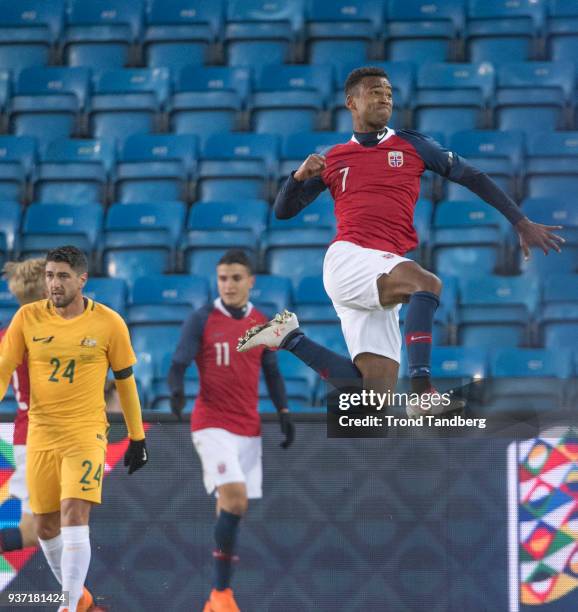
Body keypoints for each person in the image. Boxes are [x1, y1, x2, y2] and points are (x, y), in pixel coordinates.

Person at [237, 65, 564, 416]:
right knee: (427, 283)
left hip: (381, 274)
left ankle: (288, 337)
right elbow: (284, 212)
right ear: (351, 102)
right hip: (350, 259)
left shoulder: (413, 145)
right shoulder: (332, 159)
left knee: (373, 400)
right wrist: (297, 177)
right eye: (375, 91)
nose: (385, 98)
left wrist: (520, 220)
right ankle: (422, 389)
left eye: (389, 93)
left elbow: (474, 177)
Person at [0, 246, 148, 612]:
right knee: (46, 527)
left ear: (82, 279)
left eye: (62, 276)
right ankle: (78, 599)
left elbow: (126, 381)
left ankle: (67, 604)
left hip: (84, 433)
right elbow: (3, 370)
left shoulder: (109, 323)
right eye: (50, 275)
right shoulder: (26, 320)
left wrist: (137, 436)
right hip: (38, 435)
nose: (54, 283)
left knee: (73, 513)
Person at [168, 249, 295, 612]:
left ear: (250, 281)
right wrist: (176, 390)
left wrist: (284, 411)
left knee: (229, 507)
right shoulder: (201, 318)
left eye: (236, 278)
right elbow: (179, 362)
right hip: (211, 424)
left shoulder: (262, 321)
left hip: (248, 428)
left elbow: (271, 371)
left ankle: (215, 597)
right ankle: (222, 594)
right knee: (235, 498)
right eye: (223, 278)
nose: (228, 285)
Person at [0, 258, 46, 554]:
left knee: (41, 531)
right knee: (41, 531)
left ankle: (80, 599)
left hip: (31, 436)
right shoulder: (47, 336)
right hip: (42, 439)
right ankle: (79, 599)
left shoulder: (7, 336)